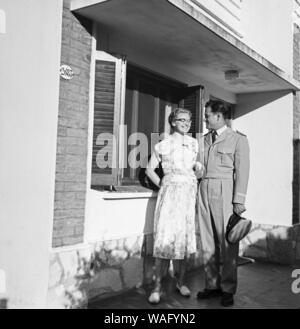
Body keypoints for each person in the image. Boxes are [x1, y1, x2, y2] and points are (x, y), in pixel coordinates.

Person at [146, 108, 202, 304]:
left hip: (188, 195)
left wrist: (198, 170)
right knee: (165, 239)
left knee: (183, 240)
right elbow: (149, 170)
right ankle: (157, 288)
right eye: (181, 120)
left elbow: (196, 169)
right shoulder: (163, 145)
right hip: (170, 197)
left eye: (188, 120)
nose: (186, 123)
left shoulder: (194, 144)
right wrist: (162, 184)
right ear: (173, 122)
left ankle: (181, 282)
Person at [197, 100, 250, 307]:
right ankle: (212, 285)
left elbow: (243, 171)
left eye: (207, 114)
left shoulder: (238, 139)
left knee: (228, 242)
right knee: (207, 241)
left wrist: (239, 200)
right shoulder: (204, 139)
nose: (205, 118)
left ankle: (228, 288)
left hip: (225, 191)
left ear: (219, 116)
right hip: (203, 190)